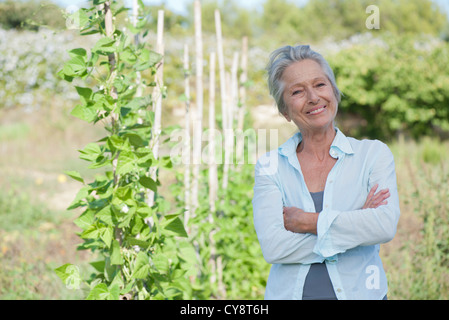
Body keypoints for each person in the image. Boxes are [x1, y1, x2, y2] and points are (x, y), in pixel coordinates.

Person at [252, 45, 400, 300]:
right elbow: (274, 247)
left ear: (333, 91)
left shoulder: (373, 154)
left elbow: (383, 226)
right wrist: (355, 223)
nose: (313, 97)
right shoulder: (270, 166)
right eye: (297, 91)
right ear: (284, 110)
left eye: (320, 84)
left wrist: (309, 222)